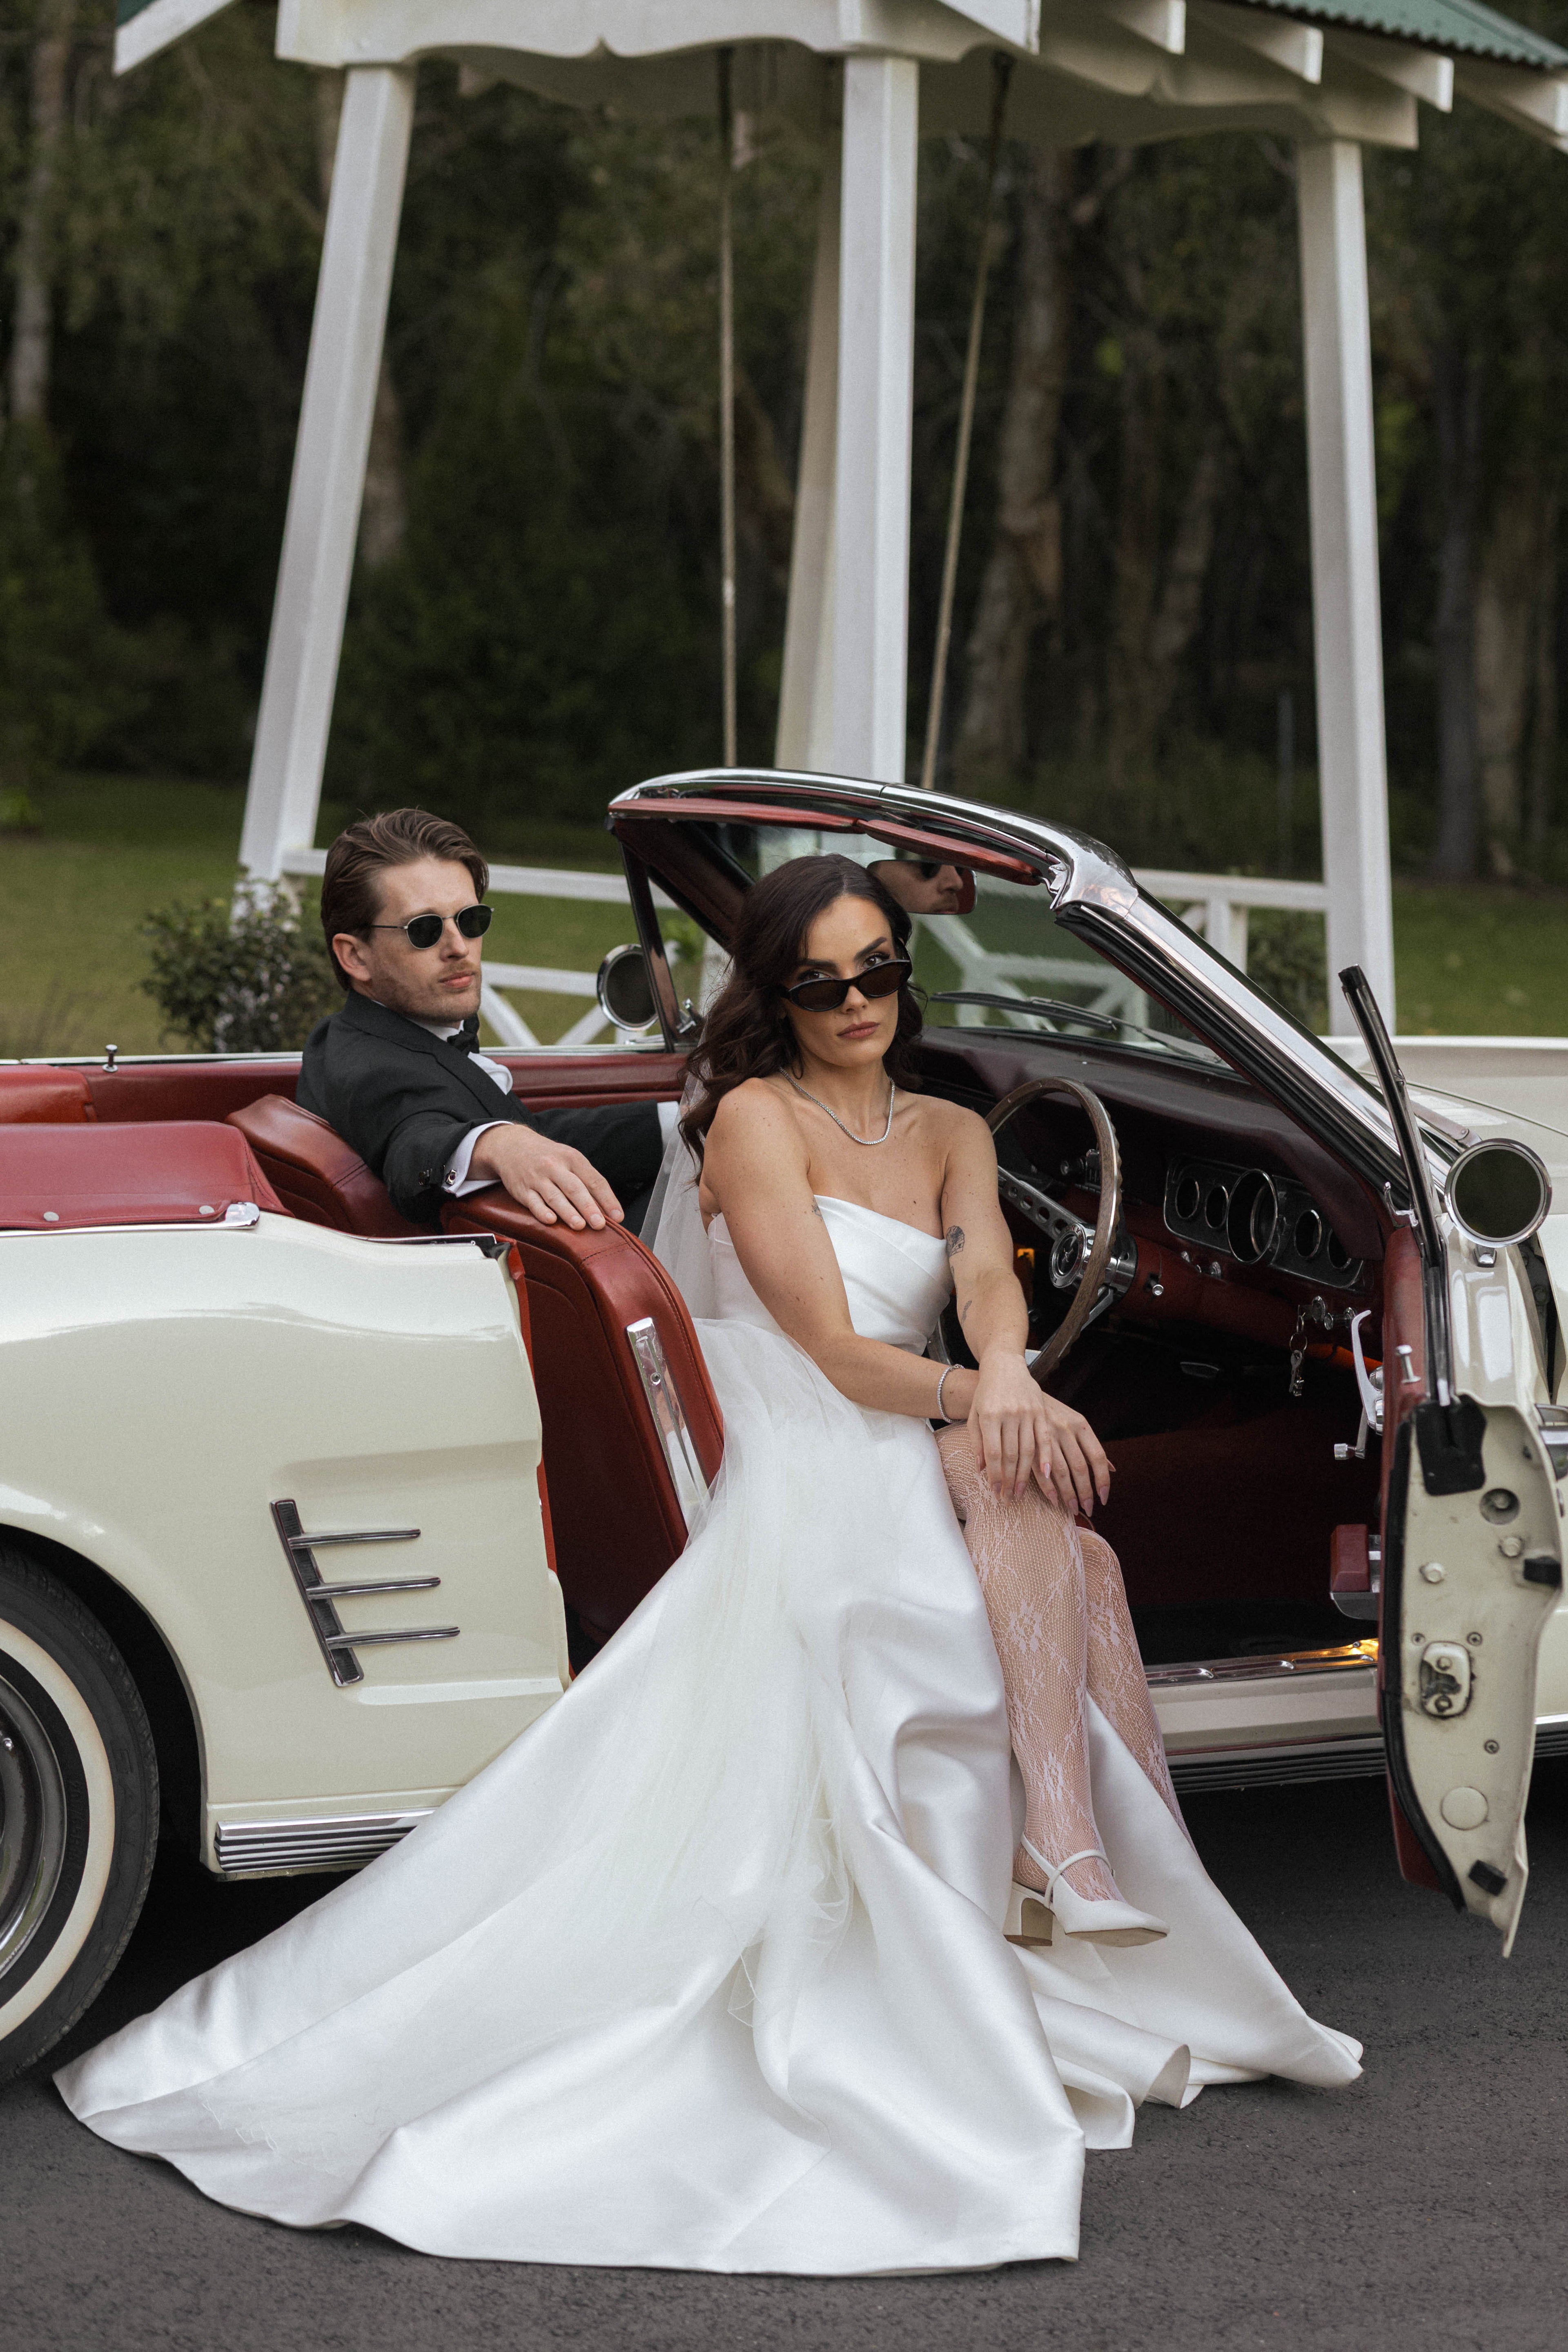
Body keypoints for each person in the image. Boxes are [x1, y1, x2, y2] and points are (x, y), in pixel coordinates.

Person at [57, 854, 1358, 2276]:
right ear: (779, 996)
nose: (856, 999)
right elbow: (831, 1350)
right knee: (1045, 1514)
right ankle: (1079, 1859)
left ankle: (1071, 1857)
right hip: (803, 1410)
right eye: (821, 981)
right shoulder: (750, 1118)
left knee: (1077, 1553)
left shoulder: (954, 1126)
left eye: (879, 970)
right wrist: (988, 1402)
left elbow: (988, 1268)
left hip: (911, 1402)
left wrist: (1000, 1367)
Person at [296, 806, 666, 1232]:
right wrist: (497, 1143)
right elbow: (412, 1146)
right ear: (355, 956)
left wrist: (671, 1127)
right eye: (425, 929)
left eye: (472, 921)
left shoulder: (345, 1036)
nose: (459, 947)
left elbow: (530, 1129)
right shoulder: (376, 1072)